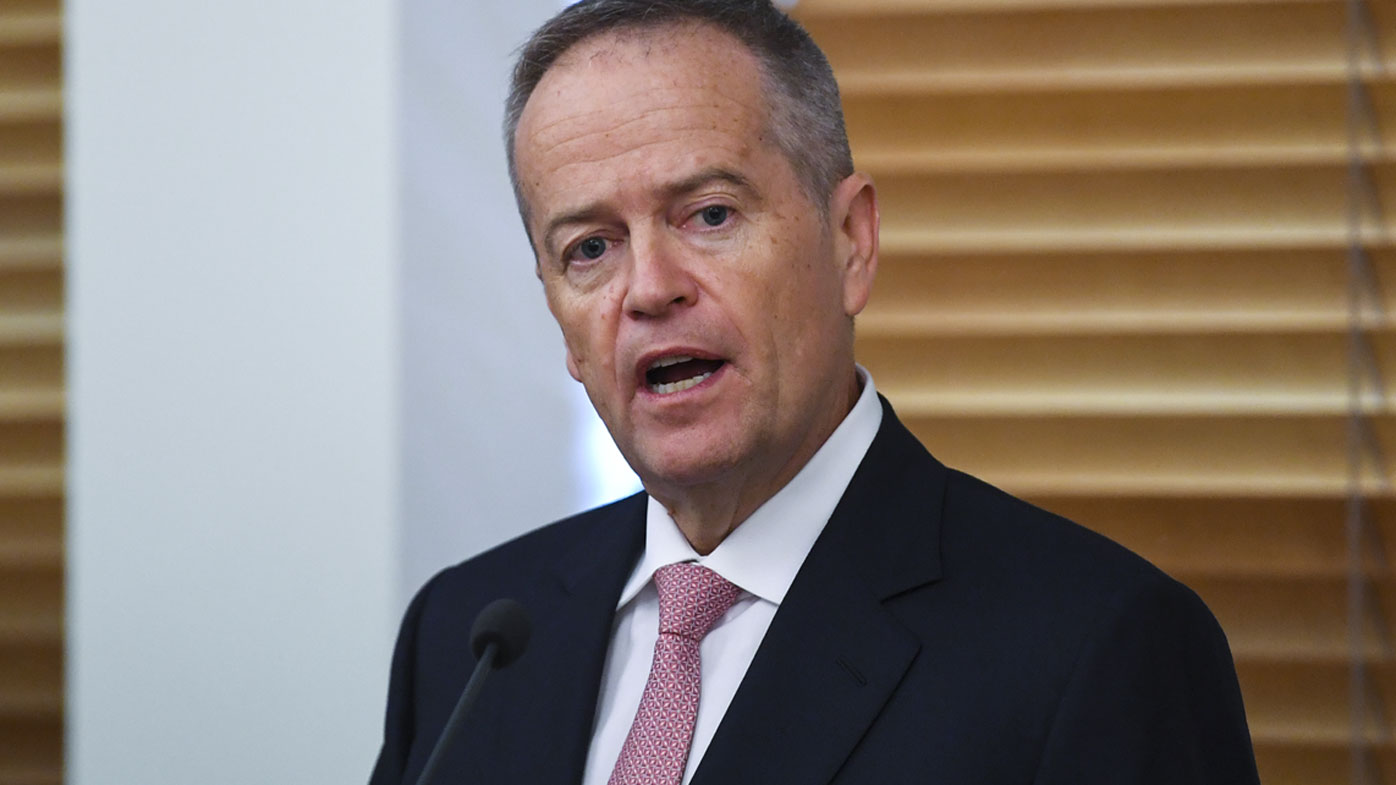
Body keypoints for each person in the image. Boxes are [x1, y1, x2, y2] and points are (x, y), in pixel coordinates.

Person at [370, 1, 1261, 783]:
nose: (648, 287)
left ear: (851, 241)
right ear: (560, 319)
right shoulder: (465, 637)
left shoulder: (1099, 649)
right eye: (590, 248)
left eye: (709, 214)